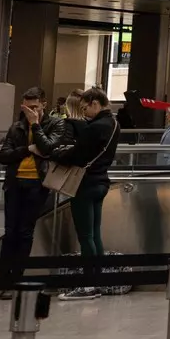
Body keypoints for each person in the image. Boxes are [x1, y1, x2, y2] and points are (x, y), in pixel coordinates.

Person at [42, 86, 118, 301]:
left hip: (84, 184)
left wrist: (56, 154)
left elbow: (76, 155)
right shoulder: (114, 124)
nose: (84, 112)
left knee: (85, 236)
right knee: (95, 233)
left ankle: (87, 284)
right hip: (101, 181)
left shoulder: (94, 127)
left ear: (95, 103)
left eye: (86, 107)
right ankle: (98, 280)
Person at [0, 88, 47, 293]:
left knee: (25, 232)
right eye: (26, 107)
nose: (30, 111)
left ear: (43, 104)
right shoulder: (16, 127)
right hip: (15, 183)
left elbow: (48, 149)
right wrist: (26, 150)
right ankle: (2, 280)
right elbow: (3, 155)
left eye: (34, 107)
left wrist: (36, 125)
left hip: (37, 184)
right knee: (10, 232)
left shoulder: (52, 125)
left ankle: (17, 279)